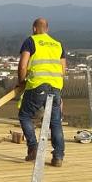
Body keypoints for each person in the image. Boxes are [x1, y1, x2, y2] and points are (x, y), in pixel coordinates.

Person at [17, 18, 66, 165]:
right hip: (56, 86)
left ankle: (33, 147)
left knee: (25, 115)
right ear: (47, 29)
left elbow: (23, 65)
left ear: (34, 28)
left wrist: (21, 81)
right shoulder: (58, 44)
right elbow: (63, 69)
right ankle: (58, 156)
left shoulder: (31, 41)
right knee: (55, 122)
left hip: (38, 85)